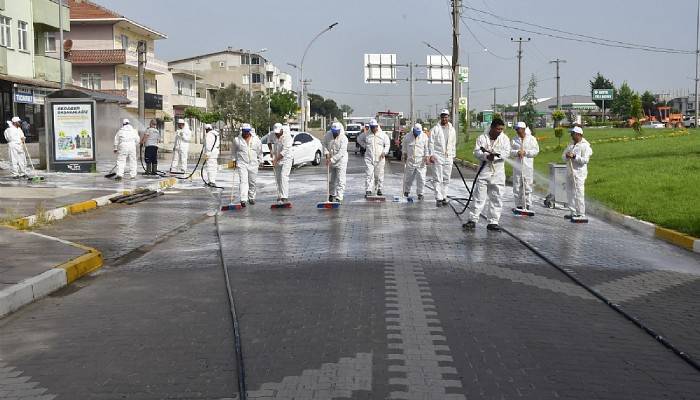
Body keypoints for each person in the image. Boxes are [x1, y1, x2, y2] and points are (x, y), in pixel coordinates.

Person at [464, 118, 512, 231]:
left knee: (497, 197)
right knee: (479, 197)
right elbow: (476, 152)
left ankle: (493, 222)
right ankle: (472, 220)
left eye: (501, 129)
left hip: (498, 174)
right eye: (498, 129)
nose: (500, 131)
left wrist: (494, 156)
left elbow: (506, 153)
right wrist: (486, 156)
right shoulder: (482, 138)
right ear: (492, 127)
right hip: (484, 171)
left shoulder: (504, 139)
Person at [428, 109, 457, 207]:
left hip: (448, 157)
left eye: (446, 116)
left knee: (446, 178)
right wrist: (431, 155)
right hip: (438, 156)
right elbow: (431, 143)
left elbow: (453, 144)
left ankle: (444, 196)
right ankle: (438, 197)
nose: (444, 118)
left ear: (448, 117)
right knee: (437, 178)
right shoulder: (435, 129)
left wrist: (453, 155)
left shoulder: (452, 129)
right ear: (440, 117)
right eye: (443, 116)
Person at [563, 126, 593, 219]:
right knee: (569, 192)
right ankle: (572, 212)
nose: (571, 136)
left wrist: (575, 157)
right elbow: (563, 156)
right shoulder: (570, 144)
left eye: (573, 134)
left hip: (579, 173)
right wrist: (567, 156)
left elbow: (585, 160)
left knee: (579, 193)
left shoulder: (585, 146)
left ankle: (581, 213)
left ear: (578, 134)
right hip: (569, 172)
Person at [510, 122, 540, 210]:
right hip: (517, 167)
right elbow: (509, 151)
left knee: (527, 186)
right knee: (517, 186)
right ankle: (518, 205)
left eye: (518, 129)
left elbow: (536, 151)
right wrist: (517, 152)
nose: (517, 131)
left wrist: (526, 152)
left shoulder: (531, 139)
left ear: (523, 129)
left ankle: (527, 205)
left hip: (528, 167)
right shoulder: (514, 140)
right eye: (516, 129)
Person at [231, 123, 263, 206]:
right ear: (242, 131)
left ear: (249, 131)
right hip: (242, 163)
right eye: (244, 131)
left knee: (252, 182)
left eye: (247, 131)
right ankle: (243, 199)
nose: (246, 133)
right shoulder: (237, 140)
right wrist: (234, 160)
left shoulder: (256, 139)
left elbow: (259, 151)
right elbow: (233, 151)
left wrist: (261, 160)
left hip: (253, 164)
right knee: (243, 181)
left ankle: (251, 197)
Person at [357, 118, 390, 197]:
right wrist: (364, 146)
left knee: (379, 174)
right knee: (369, 174)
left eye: (374, 127)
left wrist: (384, 152)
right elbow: (359, 139)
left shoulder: (383, 135)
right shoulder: (366, 134)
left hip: (380, 158)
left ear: (377, 126)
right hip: (369, 157)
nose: (373, 129)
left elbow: (388, 145)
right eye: (371, 127)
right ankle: (368, 189)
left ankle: (379, 188)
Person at [322, 121, 349, 203]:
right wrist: (326, 153)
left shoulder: (344, 138)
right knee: (331, 179)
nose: (335, 134)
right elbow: (324, 144)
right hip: (331, 160)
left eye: (336, 132)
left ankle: (339, 197)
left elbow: (341, 152)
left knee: (341, 179)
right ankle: (331, 194)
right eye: (334, 132)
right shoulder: (327, 135)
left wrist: (332, 159)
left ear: (339, 130)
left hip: (341, 160)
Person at [401, 123, 429, 200]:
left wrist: (427, 157)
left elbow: (426, 148)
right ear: (413, 130)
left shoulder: (424, 137)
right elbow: (404, 147)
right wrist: (404, 154)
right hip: (410, 160)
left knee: (421, 179)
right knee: (408, 178)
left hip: (421, 161)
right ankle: (406, 191)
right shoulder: (407, 137)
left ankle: (420, 193)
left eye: (418, 133)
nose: (416, 134)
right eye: (415, 132)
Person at [270, 123, 293, 203]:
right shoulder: (272, 134)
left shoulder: (288, 137)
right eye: (275, 132)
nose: (276, 134)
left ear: (281, 130)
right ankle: (279, 195)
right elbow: (269, 141)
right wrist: (271, 151)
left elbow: (284, 152)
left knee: (284, 176)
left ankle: (284, 197)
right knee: (278, 178)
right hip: (277, 157)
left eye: (278, 132)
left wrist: (275, 160)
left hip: (287, 159)